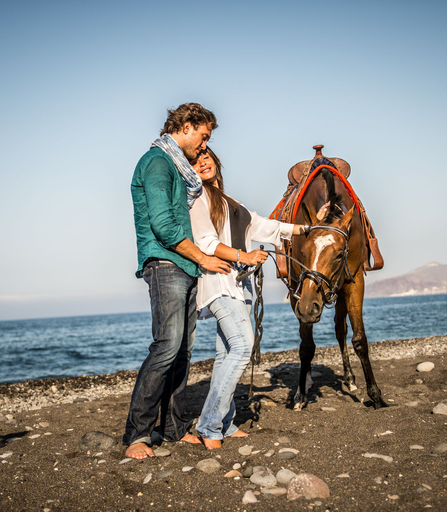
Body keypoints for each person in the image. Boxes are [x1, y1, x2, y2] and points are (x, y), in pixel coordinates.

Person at [124, 104, 233, 459]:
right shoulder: (157, 162)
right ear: (186, 126)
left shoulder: (178, 167)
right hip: (165, 262)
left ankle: (172, 429)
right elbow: (164, 225)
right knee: (166, 347)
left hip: (185, 266)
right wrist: (205, 258)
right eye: (203, 137)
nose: (204, 147)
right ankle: (137, 435)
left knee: (182, 352)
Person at [189, 147, 313, 449]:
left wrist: (305, 229)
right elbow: (205, 241)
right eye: (195, 160)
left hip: (238, 285)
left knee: (225, 354)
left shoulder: (233, 203)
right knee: (243, 347)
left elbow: (266, 226)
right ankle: (208, 426)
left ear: (217, 161)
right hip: (218, 282)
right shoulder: (196, 199)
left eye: (207, 157)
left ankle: (226, 423)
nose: (202, 162)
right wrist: (244, 255)